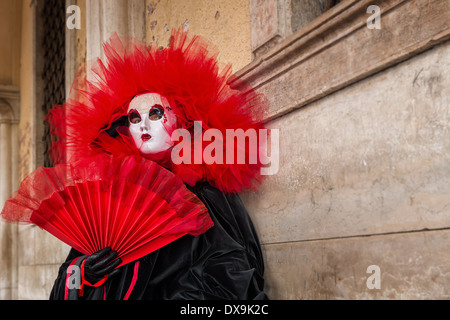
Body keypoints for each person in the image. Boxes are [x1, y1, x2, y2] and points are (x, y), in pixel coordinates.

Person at [48, 30, 268, 300]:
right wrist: (83, 272)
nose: (143, 124)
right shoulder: (109, 201)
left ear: (179, 119)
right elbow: (65, 279)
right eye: (134, 117)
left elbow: (232, 270)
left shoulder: (203, 194)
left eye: (155, 113)